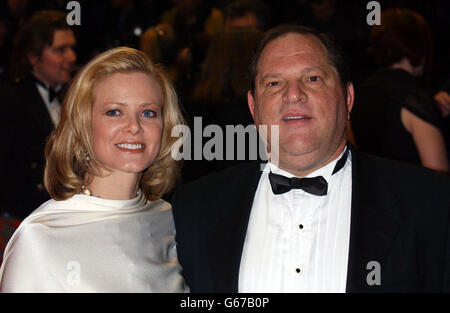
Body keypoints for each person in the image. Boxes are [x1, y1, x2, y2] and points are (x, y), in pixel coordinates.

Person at [171, 25, 450, 292]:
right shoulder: (194, 210)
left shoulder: (429, 203)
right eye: (274, 82)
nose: (293, 94)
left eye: (312, 78)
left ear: (348, 98)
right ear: (254, 109)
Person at [0, 47, 188, 292]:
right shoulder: (41, 238)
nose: (134, 126)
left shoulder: (170, 220)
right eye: (114, 112)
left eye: (148, 113)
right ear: (83, 125)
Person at [351, 8, 449, 174]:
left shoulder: (357, 94)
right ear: (420, 46)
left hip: (372, 194)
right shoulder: (415, 101)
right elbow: (439, 182)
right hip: (414, 197)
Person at [0, 10, 77, 220]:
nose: (72, 57)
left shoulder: (71, 95)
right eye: (61, 50)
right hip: (22, 220)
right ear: (34, 57)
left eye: (71, 48)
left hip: (61, 214)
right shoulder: (9, 99)